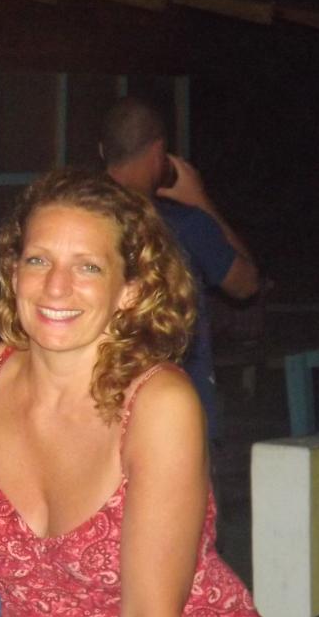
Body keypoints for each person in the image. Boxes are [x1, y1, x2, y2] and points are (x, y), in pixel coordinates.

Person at [0, 168, 273, 617]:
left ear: (130, 290)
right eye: (38, 260)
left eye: (88, 267)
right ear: (13, 272)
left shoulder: (157, 405)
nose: (56, 287)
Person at [100, 96, 260, 441]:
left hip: (99, 407)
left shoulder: (80, 217)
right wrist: (199, 200)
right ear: (159, 152)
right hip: (179, 412)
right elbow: (246, 283)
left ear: (103, 151)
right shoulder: (183, 224)